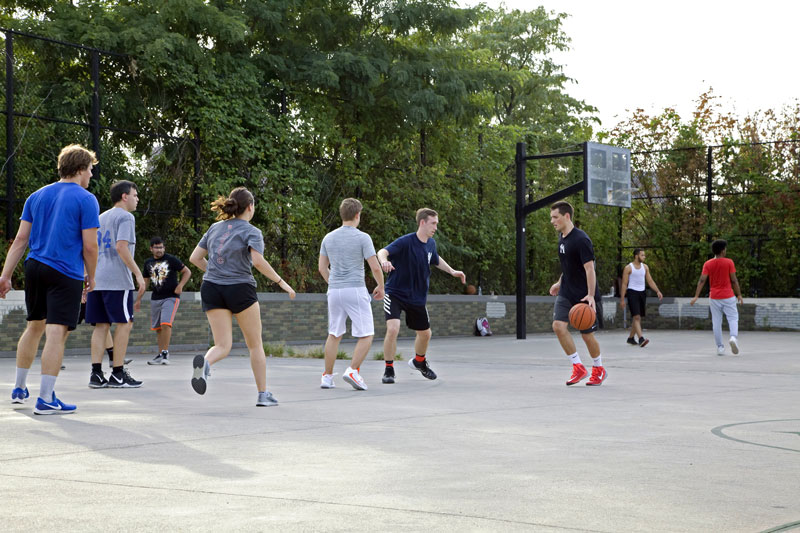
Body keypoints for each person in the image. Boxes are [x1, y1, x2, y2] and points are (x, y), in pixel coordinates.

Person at [0, 144, 99, 414]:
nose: (91, 176)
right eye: (90, 170)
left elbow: (21, 239)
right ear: (80, 169)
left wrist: (5, 275)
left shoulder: (37, 196)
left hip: (35, 267)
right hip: (64, 271)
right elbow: (90, 247)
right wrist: (92, 276)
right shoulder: (86, 199)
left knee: (34, 326)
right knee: (56, 332)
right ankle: (45, 398)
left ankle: (19, 388)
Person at [189, 187, 296, 406]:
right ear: (250, 206)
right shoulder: (251, 231)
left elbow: (195, 258)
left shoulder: (214, 228)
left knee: (222, 345)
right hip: (240, 288)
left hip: (211, 287)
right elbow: (257, 261)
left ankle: (205, 364)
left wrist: (215, 272)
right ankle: (263, 395)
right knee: (255, 344)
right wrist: (281, 282)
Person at [377, 208, 465, 384]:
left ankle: (419, 362)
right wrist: (384, 262)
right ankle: (389, 369)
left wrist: (452, 271)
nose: (436, 227)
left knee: (425, 334)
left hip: (417, 296)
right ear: (422, 222)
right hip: (395, 293)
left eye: (437, 224)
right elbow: (382, 252)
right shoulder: (406, 242)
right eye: (433, 223)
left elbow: (435, 259)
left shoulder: (431, 243)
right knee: (393, 328)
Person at [318, 198, 384, 390]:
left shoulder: (328, 238)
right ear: (357, 215)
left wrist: (335, 283)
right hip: (355, 289)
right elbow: (375, 267)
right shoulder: (363, 237)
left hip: (334, 291)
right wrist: (381, 286)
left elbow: (322, 268)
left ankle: (327, 377)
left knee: (334, 334)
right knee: (366, 334)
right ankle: (353, 370)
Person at [85, 180, 146, 389]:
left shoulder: (100, 217)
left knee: (101, 326)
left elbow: (89, 247)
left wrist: (87, 273)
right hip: (117, 281)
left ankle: (96, 374)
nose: (138, 199)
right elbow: (121, 247)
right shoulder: (126, 217)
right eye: (135, 195)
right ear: (124, 196)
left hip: (97, 280)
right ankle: (118, 374)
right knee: (125, 324)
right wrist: (137, 273)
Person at [548, 201, 607, 386]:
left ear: (567, 216)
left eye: (555, 217)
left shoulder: (581, 240)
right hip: (566, 292)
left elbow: (590, 269)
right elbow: (568, 267)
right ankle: (578, 367)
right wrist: (559, 283)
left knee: (586, 335)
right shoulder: (562, 239)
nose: (552, 221)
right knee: (558, 326)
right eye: (551, 217)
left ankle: (598, 368)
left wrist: (590, 295)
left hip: (584, 295)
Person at [690, 239, 743, 355]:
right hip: (728, 295)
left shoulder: (708, 264)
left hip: (714, 297)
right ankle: (733, 337)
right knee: (733, 318)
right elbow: (734, 280)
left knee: (716, 322)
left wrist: (696, 296)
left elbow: (702, 280)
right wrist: (738, 294)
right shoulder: (729, 262)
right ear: (723, 250)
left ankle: (720, 347)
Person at [143, 236, 191, 365]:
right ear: (151, 249)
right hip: (155, 298)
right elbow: (145, 282)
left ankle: (165, 353)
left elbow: (187, 272)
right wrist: (138, 298)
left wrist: (180, 285)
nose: (159, 250)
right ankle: (160, 354)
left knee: (166, 323)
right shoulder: (148, 263)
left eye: (161, 247)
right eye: (156, 247)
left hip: (171, 297)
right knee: (158, 328)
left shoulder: (171, 259)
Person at [620, 248, 663, 347]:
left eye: (644, 255)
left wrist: (657, 291)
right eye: (642, 255)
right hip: (632, 293)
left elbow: (650, 281)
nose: (644, 257)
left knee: (638, 317)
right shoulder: (628, 268)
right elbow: (624, 284)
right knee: (637, 317)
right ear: (636, 256)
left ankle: (631, 338)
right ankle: (641, 339)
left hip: (642, 293)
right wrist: (622, 299)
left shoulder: (645, 267)